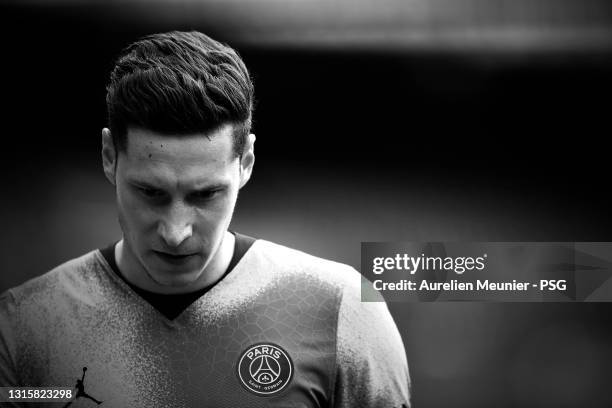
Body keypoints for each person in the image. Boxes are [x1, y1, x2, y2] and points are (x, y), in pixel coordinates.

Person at [0, 31, 410, 407]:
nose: (175, 232)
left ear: (246, 162)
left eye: (205, 194)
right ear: (109, 156)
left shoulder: (340, 311)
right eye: (151, 193)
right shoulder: (25, 327)